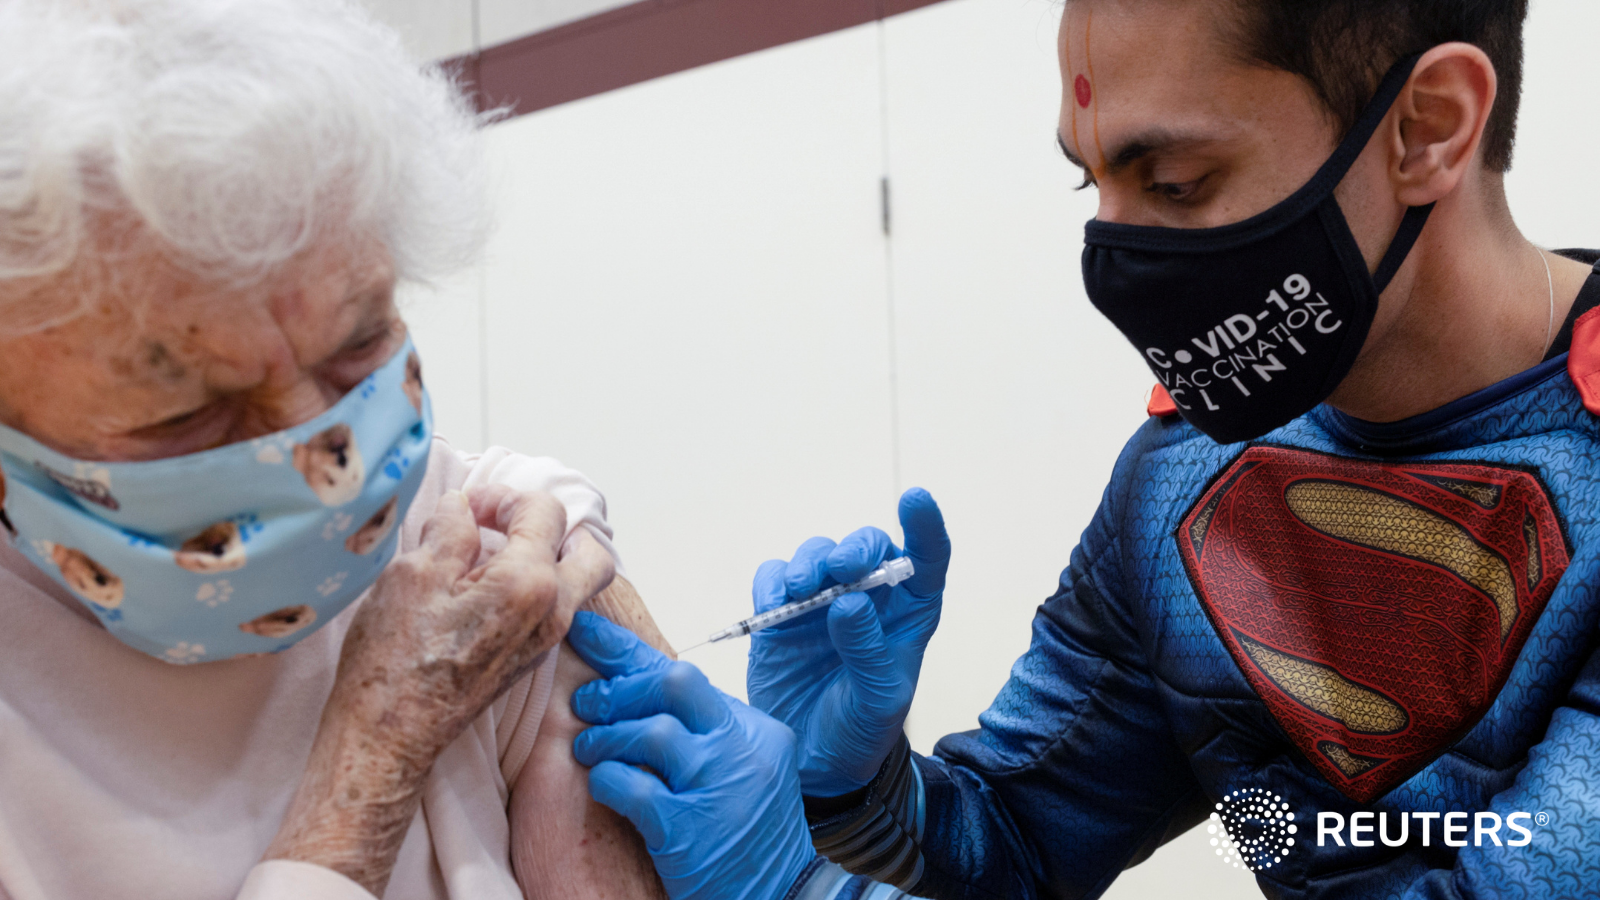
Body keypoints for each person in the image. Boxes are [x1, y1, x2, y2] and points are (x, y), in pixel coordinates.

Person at [569, 1, 1600, 897]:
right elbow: (1016, 841)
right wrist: (854, 783)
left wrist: (793, 887)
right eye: (1090, 186)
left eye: (1178, 182)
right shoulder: (1187, 479)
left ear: (1427, 128)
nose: (1116, 256)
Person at [0, 1, 672, 898]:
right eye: (189, 415)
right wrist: (377, 749)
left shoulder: (481, 552)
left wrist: (865, 805)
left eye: (356, 348)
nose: (323, 464)